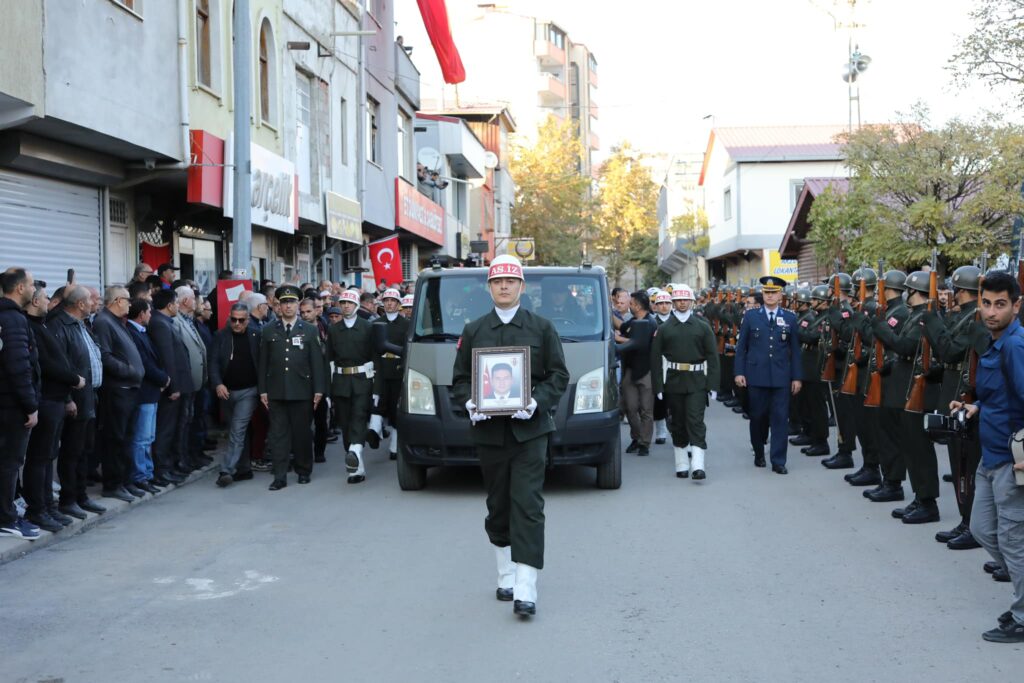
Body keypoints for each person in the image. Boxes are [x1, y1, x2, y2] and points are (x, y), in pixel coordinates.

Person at [452, 255, 569, 618]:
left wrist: (536, 402)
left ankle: (526, 586)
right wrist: (471, 402)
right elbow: (459, 380)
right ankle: (505, 573)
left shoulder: (542, 327)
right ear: (489, 287)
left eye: (511, 281)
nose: (504, 287)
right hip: (489, 432)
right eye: (497, 282)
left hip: (530, 431)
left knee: (528, 506)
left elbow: (559, 376)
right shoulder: (474, 330)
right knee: (498, 505)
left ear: (521, 286)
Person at [949, 271, 1024, 643]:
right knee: (981, 529)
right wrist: (975, 405)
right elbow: (1000, 397)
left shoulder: (1015, 345)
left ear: (1016, 306)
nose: (991, 312)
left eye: (1000, 304)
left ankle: (1023, 616)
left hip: (1013, 458)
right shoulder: (996, 343)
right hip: (990, 454)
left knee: (1012, 540)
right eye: (986, 303)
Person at [924, 265, 986, 549]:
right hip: (952, 393)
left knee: (966, 464)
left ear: (962, 291)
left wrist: (932, 319)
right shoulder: (961, 316)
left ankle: (973, 525)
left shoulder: (975, 319)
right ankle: (965, 521)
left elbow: (948, 349)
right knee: (958, 461)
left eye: (954, 290)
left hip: (965, 397)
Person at [873, 271, 941, 524]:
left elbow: (904, 346)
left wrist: (878, 326)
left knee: (920, 448)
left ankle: (928, 502)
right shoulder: (915, 316)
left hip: (918, 390)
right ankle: (920, 497)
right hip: (905, 387)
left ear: (914, 292)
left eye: (909, 291)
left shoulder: (924, 317)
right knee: (911, 447)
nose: (905, 295)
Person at [23, 282, 81, 532]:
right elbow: (45, 365)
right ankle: (37, 509)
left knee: (48, 457)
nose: (51, 302)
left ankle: (47, 505)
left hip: (57, 399)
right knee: (39, 458)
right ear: (35, 302)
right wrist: (73, 379)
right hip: (45, 400)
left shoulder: (43, 323)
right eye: (46, 298)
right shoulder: (30, 327)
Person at [259, 285, 327, 490]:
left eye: (292, 302)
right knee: (278, 435)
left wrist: (318, 390)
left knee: (302, 434)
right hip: (276, 390)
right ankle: (279, 475)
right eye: (284, 303)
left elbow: (316, 362)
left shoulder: (309, 330)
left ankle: (303, 470)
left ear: (298, 305)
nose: (288, 306)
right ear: (278, 306)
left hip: (302, 390)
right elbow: (264, 362)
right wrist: (262, 390)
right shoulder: (269, 329)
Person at [734, 275, 802, 474]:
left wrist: (797, 377)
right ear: (762, 294)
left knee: (780, 418)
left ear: (781, 295)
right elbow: (741, 348)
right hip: (756, 375)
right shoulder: (751, 316)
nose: (770, 296)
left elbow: (796, 351)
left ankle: (778, 460)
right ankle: (758, 452)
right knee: (758, 417)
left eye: (773, 293)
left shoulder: (790, 318)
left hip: (781, 376)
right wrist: (739, 372)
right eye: (766, 292)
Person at [651, 284, 720, 479]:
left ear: (691, 302)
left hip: (697, 381)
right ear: (673, 303)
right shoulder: (664, 329)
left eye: (685, 300)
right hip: (673, 381)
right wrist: (658, 386)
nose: (682, 303)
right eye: (678, 300)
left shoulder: (702, 327)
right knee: (678, 423)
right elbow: (655, 358)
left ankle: (698, 465)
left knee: (695, 421)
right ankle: (681, 462)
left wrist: (713, 385)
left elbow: (712, 357)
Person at [90, 285, 145, 502]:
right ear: (116, 301)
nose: (130, 304)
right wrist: (129, 371)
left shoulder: (116, 321)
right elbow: (104, 355)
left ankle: (125, 481)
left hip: (129, 389)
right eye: (127, 300)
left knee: (127, 438)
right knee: (115, 439)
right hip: (117, 390)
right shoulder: (103, 322)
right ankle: (113, 485)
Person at [862, 271, 912, 505]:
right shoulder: (888, 310)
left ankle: (894, 483)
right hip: (883, 377)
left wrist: (879, 324)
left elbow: (894, 342)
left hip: (893, 377)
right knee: (882, 431)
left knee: (891, 434)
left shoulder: (900, 312)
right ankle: (887, 478)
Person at [0, 268, 41, 540]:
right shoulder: (12, 319)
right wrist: (30, 405)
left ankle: (8, 515)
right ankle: (5, 519)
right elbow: (18, 366)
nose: (33, 289)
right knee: (9, 463)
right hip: (12, 406)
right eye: (30, 284)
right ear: (19, 288)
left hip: (9, 403)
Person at [325, 289, 376, 483]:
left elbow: (375, 357)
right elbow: (329, 360)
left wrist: (376, 388)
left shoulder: (367, 327)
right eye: (343, 303)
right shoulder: (333, 329)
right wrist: (328, 390)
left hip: (362, 380)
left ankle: (355, 460)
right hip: (341, 382)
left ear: (356, 306)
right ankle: (355, 460)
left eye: (350, 303)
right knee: (345, 423)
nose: (346, 306)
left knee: (359, 417)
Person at [210, 302, 260, 487]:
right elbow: (213, 362)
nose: (237, 323)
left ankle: (226, 470)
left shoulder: (256, 335)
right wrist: (218, 384)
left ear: (248, 320)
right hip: (226, 392)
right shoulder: (221, 336)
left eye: (241, 320)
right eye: (233, 319)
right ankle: (244, 468)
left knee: (237, 430)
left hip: (249, 391)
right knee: (237, 430)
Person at [124, 298, 169, 494]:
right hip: (143, 392)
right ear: (141, 314)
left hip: (151, 393)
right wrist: (163, 379)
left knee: (148, 437)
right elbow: (144, 363)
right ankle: (139, 476)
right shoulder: (132, 332)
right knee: (141, 438)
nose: (150, 315)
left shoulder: (142, 332)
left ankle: (147, 474)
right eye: (148, 312)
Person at [148, 289, 191, 484]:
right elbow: (167, 358)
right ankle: (161, 469)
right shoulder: (159, 323)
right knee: (165, 430)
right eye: (175, 302)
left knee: (174, 427)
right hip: (170, 389)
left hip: (177, 385)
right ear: (169, 305)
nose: (177, 305)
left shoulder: (165, 322)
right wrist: (173, 386)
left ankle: (170, 465)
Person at [369, 288, 409, 460]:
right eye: (386, 301)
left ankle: (395, 444)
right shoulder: (377, 323)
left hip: (398, 370)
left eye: (393, 301)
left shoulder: (406, 324)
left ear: (399, 304)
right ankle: (374, 430)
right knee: (378, 402)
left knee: (395, 408)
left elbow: (407, 348)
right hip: (381, 368)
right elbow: (372, 348)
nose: (389, 304)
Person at [616, 290, 656, 456]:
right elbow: (621, 326)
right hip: (630, 371)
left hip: (646, 371)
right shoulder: (632, 321)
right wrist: (609, 311)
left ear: (638, 306)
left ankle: (644, 443)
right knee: (630, 408)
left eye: (631, 303)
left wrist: (618, 339)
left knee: (646, 410)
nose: (629, 306)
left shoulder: (651, 323)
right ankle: (637, 437)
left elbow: (640, 344)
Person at [174, 286, 209, 472]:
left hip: (197, 381)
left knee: (193, 419)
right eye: (194, 299)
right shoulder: (176, 322)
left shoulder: (189, 320)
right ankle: (182, 458)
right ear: (186, 301)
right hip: (186, 383)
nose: (196, 303)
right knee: (184, 422)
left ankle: (192, 455)